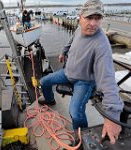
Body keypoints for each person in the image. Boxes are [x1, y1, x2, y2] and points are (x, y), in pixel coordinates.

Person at [38, 0, 124, 145]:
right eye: (89, 17)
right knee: (44, 82)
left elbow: (108, 78)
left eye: (98, 18)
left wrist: (112, 116)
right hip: (68, 72)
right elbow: (71, 40)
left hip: (84, 80)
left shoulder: (101, 44)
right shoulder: (79, 29)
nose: (93, 23)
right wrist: (63, 51)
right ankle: (50, 99)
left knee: (75, 113)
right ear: (80, 17)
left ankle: (83, 136)